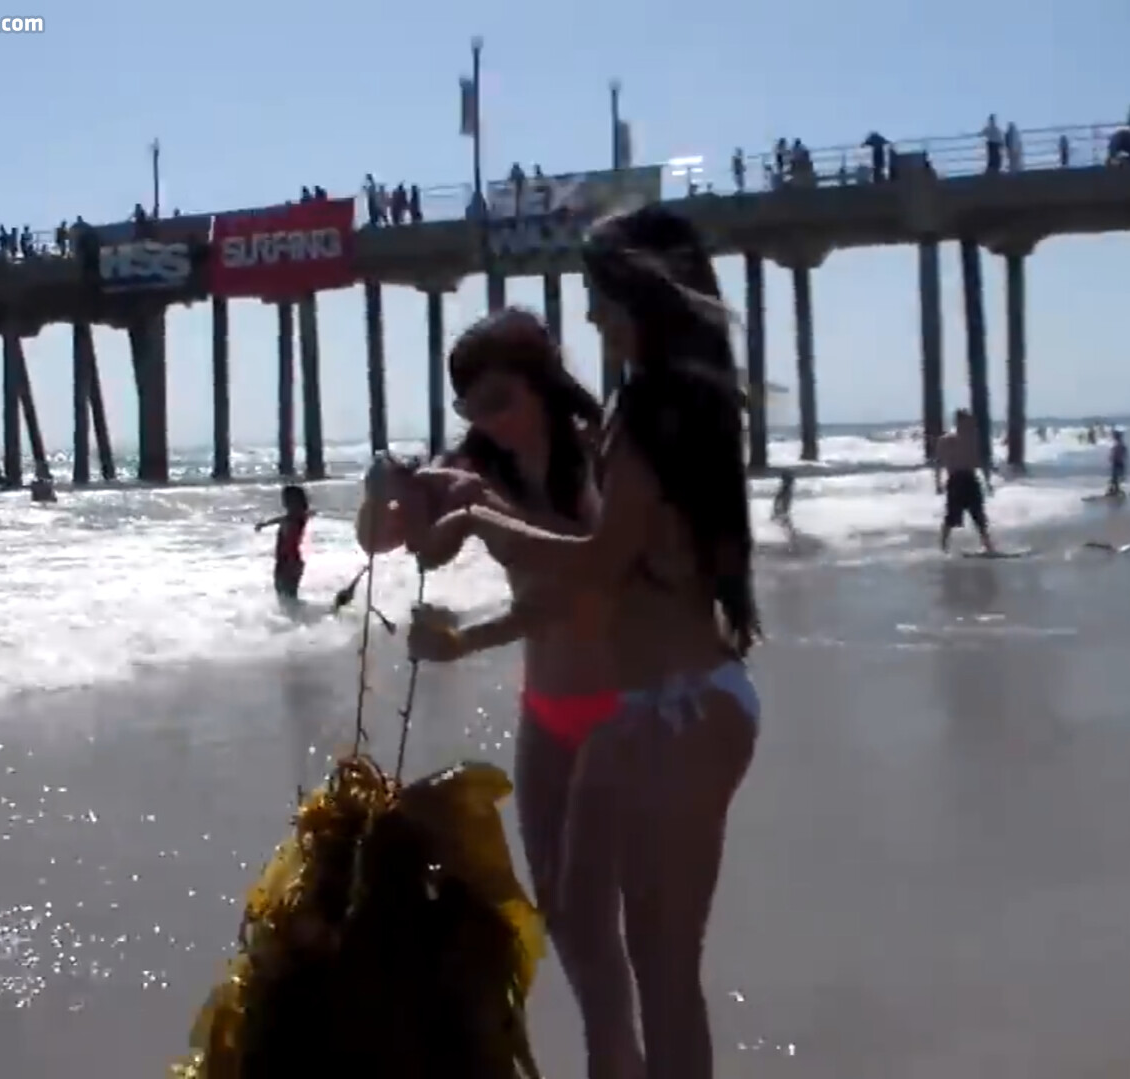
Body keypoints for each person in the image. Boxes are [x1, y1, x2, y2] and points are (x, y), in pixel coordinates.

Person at [397, 205, 760, 1079]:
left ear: (642, 295)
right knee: (613, 939)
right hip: (671, 702)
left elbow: (600, 562)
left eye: (601, 296)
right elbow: (627, 569)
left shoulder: (643, 417)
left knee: (649, 964)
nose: (592, 317)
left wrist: (481, 519)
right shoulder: (688, 406)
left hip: (677, 706)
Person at [357, 309, 641, 1077]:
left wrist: (470, 629)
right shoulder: (477, 466)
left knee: (595, 926)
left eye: (501, 401)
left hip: (625, 713)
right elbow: (384, 539)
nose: (488, 422)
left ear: (541, 383)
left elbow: (591, 576)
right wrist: (384, 491)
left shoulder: (599, 455)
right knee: (563, 918)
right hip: (547, 714)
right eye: (471, 407)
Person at [935, 407, 996, 554]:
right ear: (959, 422)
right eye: (967, 422)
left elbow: (980, 461)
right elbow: (939, 463)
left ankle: (988, 547)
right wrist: (937, 482)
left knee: (979, 516)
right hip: (956, 480)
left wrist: (987, 481)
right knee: (951, 517)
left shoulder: (973, 439)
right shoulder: (947, 440)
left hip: (971, 479)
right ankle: (943, 548)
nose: (971, 425)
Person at [256, 484, 312, 601]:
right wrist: (265, 524)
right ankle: (294, 612)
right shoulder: (291, 517)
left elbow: (292, 539)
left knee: (287, 594)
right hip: (285, 559)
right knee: (283, 593)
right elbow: (281, 519)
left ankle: (295, 612)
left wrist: (290, 563)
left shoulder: (297, 518)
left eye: (287, 499)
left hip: (290, 560)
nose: (284, 502)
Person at [1106, 427, 1128, 498]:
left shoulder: (1117, 445)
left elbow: (1113, 454)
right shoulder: (1122, 445)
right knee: (1118, 477)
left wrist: (1111, 458)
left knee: (1115, 477)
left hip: (1116, 462)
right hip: (1120, 462)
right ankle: (1117, 490)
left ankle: (1116, 491)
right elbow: (1125, 454)